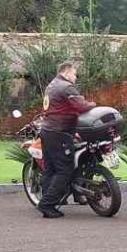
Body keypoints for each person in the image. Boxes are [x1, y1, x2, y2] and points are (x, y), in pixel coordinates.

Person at [37, 61, 96, 219]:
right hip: (59, 132)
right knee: (65, 170)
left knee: (50, 170)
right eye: (75, 74)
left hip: (47, 131)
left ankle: (47, 202)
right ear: (67, 72)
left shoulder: (51, 85)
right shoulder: (66, 87)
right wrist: (93, 104)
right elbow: (81, 106)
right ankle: (47, 204)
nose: (75, 78)